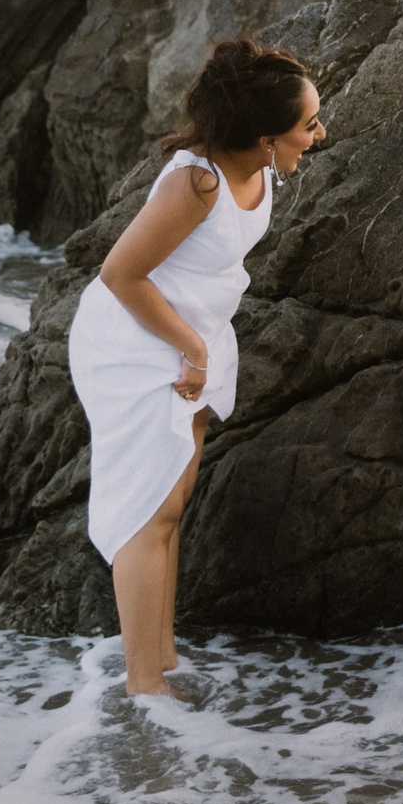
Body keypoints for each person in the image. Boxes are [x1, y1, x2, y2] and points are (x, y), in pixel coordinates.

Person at [67, 36, 325, 696]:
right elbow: (121, 273)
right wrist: (194, 347)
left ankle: (164, 659)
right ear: (266, 137)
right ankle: (144, 689)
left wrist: (197, 345)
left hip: (187, 339)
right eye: (308, 124)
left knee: (172, 506)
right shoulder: (197, 181)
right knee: (145, 514)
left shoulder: (258, 168)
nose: (319, 134)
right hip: (135, 341)